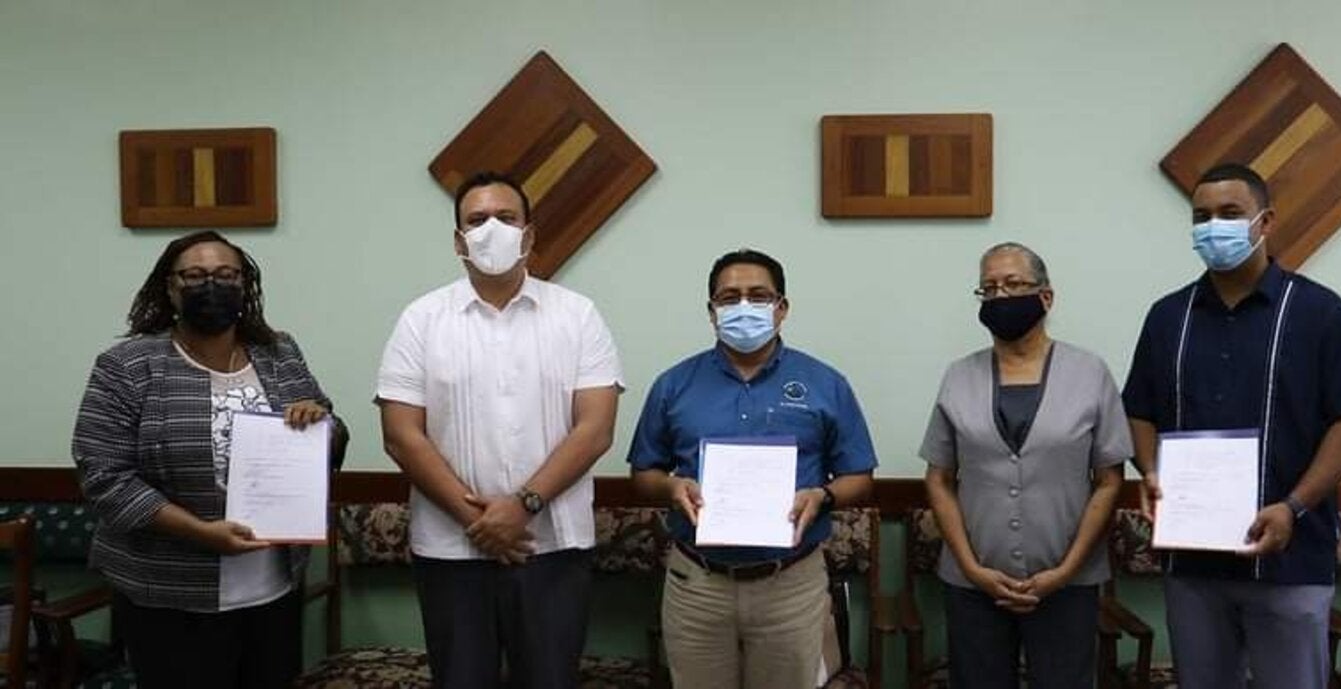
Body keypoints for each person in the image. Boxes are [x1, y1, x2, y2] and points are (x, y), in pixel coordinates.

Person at [1122, 163, 1341, 689]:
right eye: (1201, 217)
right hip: (1193, 563)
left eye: (1229, 213)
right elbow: (1139, 410)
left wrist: (1293, 506)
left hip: (1291, 559)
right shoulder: (1168, 317)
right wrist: (1149, 470)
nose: (1213, 226)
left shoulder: (1320, 313)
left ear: (1265, 222)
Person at [376, 171, 623, 689]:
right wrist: (481, 522)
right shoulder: (420, 319)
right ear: (458, 240)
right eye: (477, 220)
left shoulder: (578, 316)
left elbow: (595, 428)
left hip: (552, 548)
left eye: (506, 218)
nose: (492, 229)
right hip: (451, 549)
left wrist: (522, 506)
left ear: (528, 235)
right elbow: (401, 434)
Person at [72, 230, 346, 689]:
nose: (212, 286)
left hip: (273, 588)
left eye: (225, 275)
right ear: (170, 287)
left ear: (245, 284)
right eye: (195, 276)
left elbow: (329, 435)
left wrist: (321, 422)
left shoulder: (279, 353)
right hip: (168, 593)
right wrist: (199, 532)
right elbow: (104, 476)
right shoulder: (129, 365)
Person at [627, 248, 877, 689]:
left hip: (791, 583)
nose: (744, 307)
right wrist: (671, 488)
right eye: (729, 298)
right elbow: (643, 474)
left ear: (782, 308)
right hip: (697, 583)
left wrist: (824, 495)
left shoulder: (826, 383)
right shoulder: (673, 385)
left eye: (758, 296)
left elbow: (859, 477)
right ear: (712, 312)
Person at [918, 242, 1128, 689]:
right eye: (989, 288)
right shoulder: (959, 376)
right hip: (974, 582)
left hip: (1067, 581)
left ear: (1045, 297)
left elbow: (1110, 480)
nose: (1000, 296)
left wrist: (1066, 570)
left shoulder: (1090, 373)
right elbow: (939, 479)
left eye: (1013, 285)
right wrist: (972, 568)